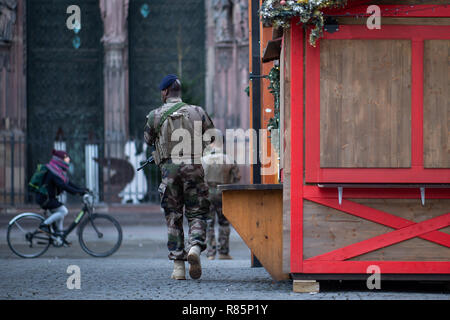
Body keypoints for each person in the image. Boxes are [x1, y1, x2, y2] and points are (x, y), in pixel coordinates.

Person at [144, 74, 215, 280]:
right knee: (197, 212)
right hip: (194, 167)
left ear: (165, 92)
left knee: (173, 216)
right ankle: (194, 248)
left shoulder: (154, 115)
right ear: (179, 91)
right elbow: (211, 136)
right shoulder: (198, 112)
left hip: (169, 171)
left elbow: (148, 140)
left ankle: (178, 268)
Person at [201, 141, 241, 260]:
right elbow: (237, 177)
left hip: (207, 194)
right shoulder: (229, 159)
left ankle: (211, 253)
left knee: (209, 223)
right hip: (223, 195)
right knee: (224, 223)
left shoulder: (202, 160)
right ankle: (223, 252)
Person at [36, 149, 88, 238]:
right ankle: (44, 225)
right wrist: (78, 192)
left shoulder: (58, 171)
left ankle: (59, 238)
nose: (68, 162)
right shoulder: (52, 171)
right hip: (45, 199)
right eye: (66, 160)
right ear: (59, 160)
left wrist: (82, 189)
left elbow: (68, 183)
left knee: (60, 214)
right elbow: (63, 186)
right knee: (63, 211)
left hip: (49, 198)